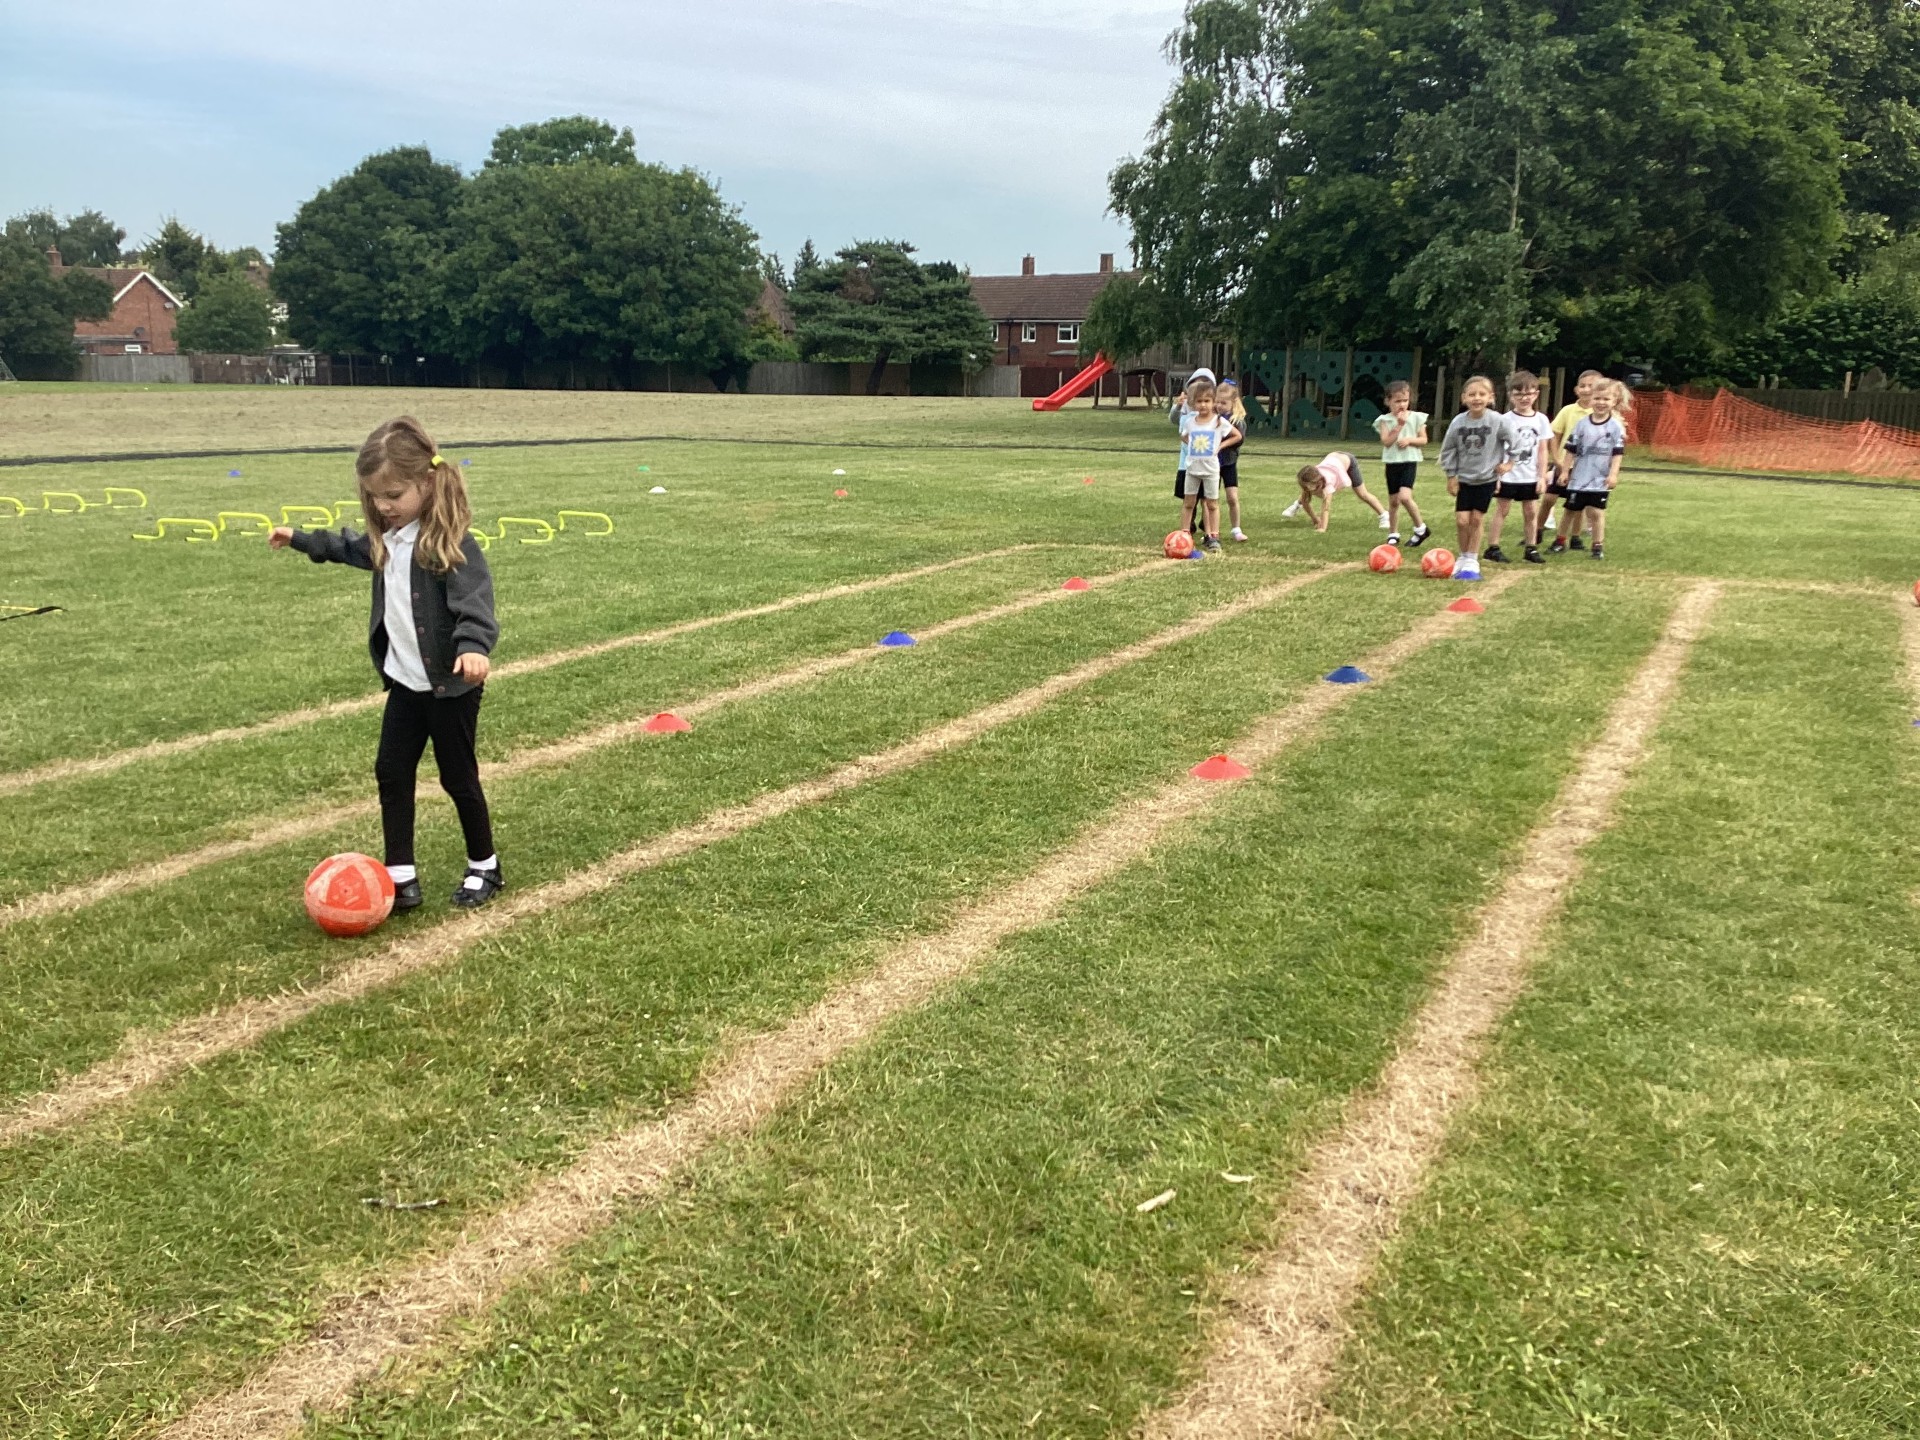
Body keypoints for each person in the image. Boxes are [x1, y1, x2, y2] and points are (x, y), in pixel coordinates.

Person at [269, 416, 504, 910]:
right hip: (404, 684)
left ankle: (485, 865)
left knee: (457, 777)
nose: (383, 506)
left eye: (393, 495)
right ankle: (400, 876)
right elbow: (346, 547)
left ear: (427, 483)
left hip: (449, 687)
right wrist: (299, 539)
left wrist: (473, 647)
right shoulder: (387, 541)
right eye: (375, 497)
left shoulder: (449, 544)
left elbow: (475, 603)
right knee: (392, 771)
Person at [1439, 375, 1506, 582]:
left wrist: (1508, 464)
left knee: (1476, 519)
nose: (1477, 398)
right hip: (1465, 479)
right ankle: (1462, 556)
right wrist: (1451, 475)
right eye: (1472, 394)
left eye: (1482, 394)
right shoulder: (1458, 422)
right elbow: (1448, 449)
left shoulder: (1497, 420)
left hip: (1486, 479)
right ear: (1464, 398)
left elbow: (1516, 443)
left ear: (1490, 397)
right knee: (1462, 520)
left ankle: (1472, 559)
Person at [1487, 370, 1554, 565]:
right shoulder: (1504, 420)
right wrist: (1496, 476)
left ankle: (1531, 548)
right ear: (1511, 396)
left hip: (1529, 475)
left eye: (1529, 393)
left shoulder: (1541, 420)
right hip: (1508, 474)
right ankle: (1493, 547)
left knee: (1531, 511)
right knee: (1502, 509)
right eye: (1519, 394)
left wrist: (1541, 476)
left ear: (1536, 394)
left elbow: (1542, 449)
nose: (1524, 398)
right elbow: (1496, 448)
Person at [1557, 379, 1627, 560]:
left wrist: (1613, 475)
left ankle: (1597, 546)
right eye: (1597, 398)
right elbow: (1571, 450)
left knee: (1596, 512)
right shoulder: (1582, 424)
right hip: (1579, 478)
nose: (1601, 403)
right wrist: (1564, 471)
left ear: (1614, 401)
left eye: (1606, 399)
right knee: (1570, 510)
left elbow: (1617, 454)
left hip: (1599, 479)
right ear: (1591, 399)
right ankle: (1560, 541)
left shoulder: (1615, 427)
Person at [1179, 380, 1238, 552]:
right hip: (1192, 469)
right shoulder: (1191, 422)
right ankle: (1184, 535)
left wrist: (1220, 446)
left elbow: (1236, 436)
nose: (1203, 405)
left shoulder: (1218, 422)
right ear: (1193, 403)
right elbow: (1184, 436)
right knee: (1189, 503)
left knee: (1212, 504)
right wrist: (1191, 445)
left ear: (1213, 402)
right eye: (1199, 401)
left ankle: (1213, 536)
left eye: (1207, 401)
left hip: (1211, 470)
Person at [1544, 369, 1602, 548]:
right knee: (1549, 498)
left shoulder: (1602, 414)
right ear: (1576, 389)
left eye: (1591, 386)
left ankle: (1575, 537)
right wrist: (1556, 459)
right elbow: (1554, 435)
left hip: (1587, 467)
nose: (1586, 389)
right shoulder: (1568, 410)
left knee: (1578, 503)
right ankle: (1537, 529)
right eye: (1582, 386)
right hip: (1564, 463)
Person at [1372, 379, 1431, 548]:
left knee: (1404, 497)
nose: (1402, 405)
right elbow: (1386, 442)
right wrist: (1399, 426)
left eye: (1405, 400)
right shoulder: (1384, 420)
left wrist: (1410, 440)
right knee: (1393, 501)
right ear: (1388, 401)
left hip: (1409, 462)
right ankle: (1393, 533)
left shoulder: (1416, 417)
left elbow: (1423, 440)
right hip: (1392, 463)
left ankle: (1420, 527)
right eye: (1397, 401)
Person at [1294, 450, 1389, 533]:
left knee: (1362, 494)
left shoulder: (1328, 483)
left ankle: (1384, 515)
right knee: (1305, 495)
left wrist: (1322, 528)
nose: (1305, 487)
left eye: (1307, 485)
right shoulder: (1308, 480)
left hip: (1347, 461)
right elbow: (1305, 501)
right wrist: (1315, 519)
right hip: (1333, 458)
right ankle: (1296, 505)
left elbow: (1326, 508)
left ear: (1316, 482)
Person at [1169, 367, 1217, 513]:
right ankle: (1189, 523)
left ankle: (1207, 523)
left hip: (1206, 462)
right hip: (1187, 461)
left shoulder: (1211, 412)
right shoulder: (1186, 408)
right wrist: (1178, 406)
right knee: (1189, 497)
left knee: (1206, 497)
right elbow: (1175, 421)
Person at [1216, 378, 1250, 541]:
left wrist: (1222, 443)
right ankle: (1212, 531)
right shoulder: (1212, 418)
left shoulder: (1236, 421)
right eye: (1217, 402)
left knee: (1232, 497)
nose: (1219, 406)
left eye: (1223, 403)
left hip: (1229, 463)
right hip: (1212, 464)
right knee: (1211, 499)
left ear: (1233, 402)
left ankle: (1236, 529)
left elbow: (1239, 440)